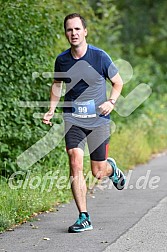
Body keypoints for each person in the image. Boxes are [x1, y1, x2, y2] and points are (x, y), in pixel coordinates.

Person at [43, 13, 126, 233]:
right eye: (69, 30)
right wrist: (51, 109)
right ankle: (84, 217)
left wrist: (111, 101)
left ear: (85, 31)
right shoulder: (62, 59)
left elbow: (118, 82)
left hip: (98, 119)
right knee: (74, 159)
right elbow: (57, 85)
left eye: (77, 29)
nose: (73, 33)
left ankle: (112, 169)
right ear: (66, 33)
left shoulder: (99, 56)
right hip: (73, 118)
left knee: (98, 171)